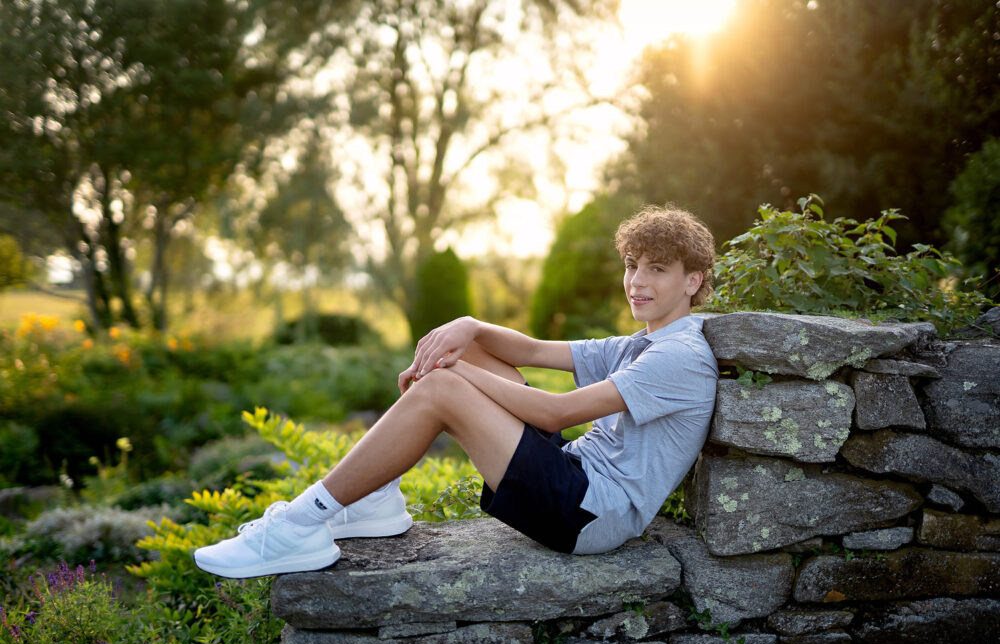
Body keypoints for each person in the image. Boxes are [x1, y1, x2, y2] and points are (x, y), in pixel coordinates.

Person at [193, 205, 718, 578]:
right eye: (631, 265)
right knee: (466, 355)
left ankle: (299, 525)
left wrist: (451, 377)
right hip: (576, 478)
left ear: (693, 281)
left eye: (657, 269)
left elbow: (556, 413)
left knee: (447, 383)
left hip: (591, 513)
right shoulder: (641, 344)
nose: (636, 281)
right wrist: (467, 328)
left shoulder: (679, 357)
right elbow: (531, 350)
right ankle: (374, 501)